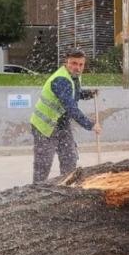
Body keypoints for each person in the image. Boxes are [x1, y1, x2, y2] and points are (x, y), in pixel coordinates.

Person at [30, 48, 101, 182]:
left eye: (81, 64)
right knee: (43, 164)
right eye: (74, 63)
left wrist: (88, 94)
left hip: (62, 125)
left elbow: (73, 93)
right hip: (44, 127)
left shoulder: (74, 77)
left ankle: (66, 187)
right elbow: (71, 108)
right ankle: (36, 189)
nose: (77, 68)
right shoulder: (61, 79)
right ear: (66, 62)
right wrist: (91, 125)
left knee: (70, 158)